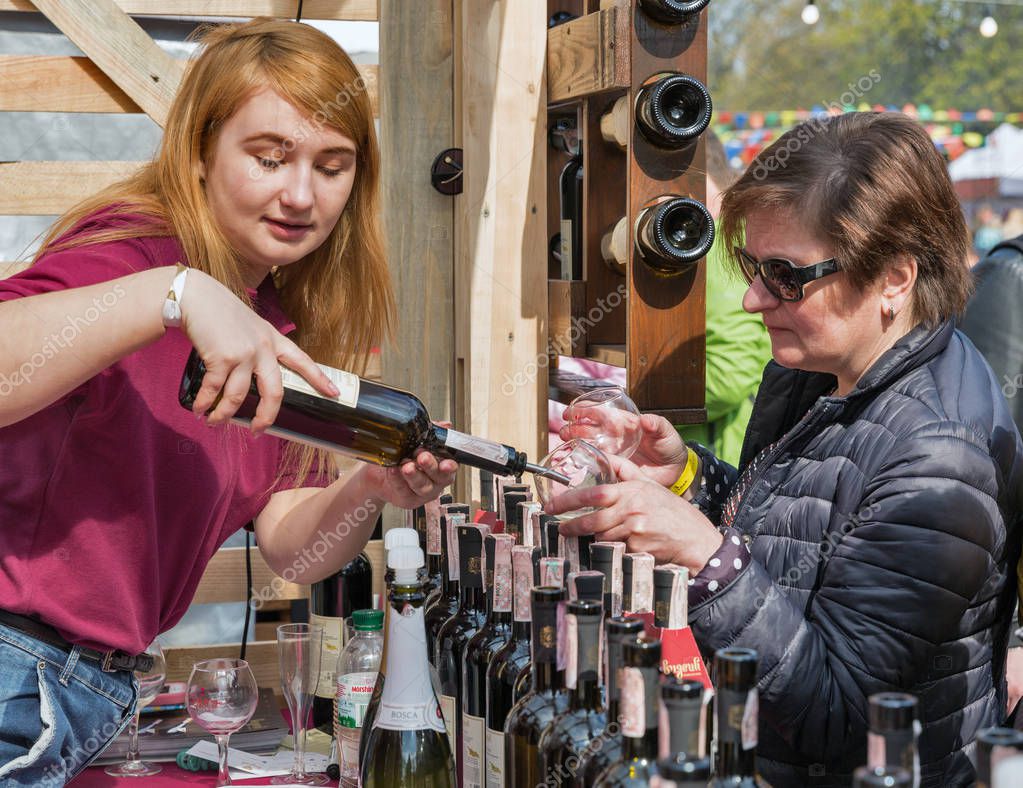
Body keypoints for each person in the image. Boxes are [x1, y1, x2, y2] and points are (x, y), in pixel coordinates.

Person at [0, 19, 455, 786]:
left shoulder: (271, 327)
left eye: (332, 166)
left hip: (78, 696)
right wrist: (174, 294)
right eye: (269, 158)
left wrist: (368, 487)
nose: (301, 195)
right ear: (199, 154)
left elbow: (291, 548)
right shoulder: (129, 258)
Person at [548, 112, 1023, 785]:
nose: (752, 299)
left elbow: (840, 718)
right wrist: (686, 477)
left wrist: (708, 559)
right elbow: (794, 532)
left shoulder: (940, 458)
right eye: (752, 266)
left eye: (784, 275)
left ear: (894, 277)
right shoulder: (828, 367)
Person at [675, 130, 772, 465]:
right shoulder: (733, 236)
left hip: (721, 454)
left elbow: (728, 374)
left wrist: (639, 402)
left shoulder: (715, 247)